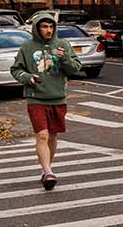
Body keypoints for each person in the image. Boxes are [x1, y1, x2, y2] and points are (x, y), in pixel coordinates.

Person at [10, 15, 81, 190]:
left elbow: (75, 68)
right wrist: (27, 77)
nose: (48, 30)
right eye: (44, 26)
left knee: (53, 136)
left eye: (51, 26)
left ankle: (46, 168)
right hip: (35, 98)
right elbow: (16, 69)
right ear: (37, 28)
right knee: (42, 135)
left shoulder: (63, 44)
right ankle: (48, 172)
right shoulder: (27, 47)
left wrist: (64, 58)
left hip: (57, 97)